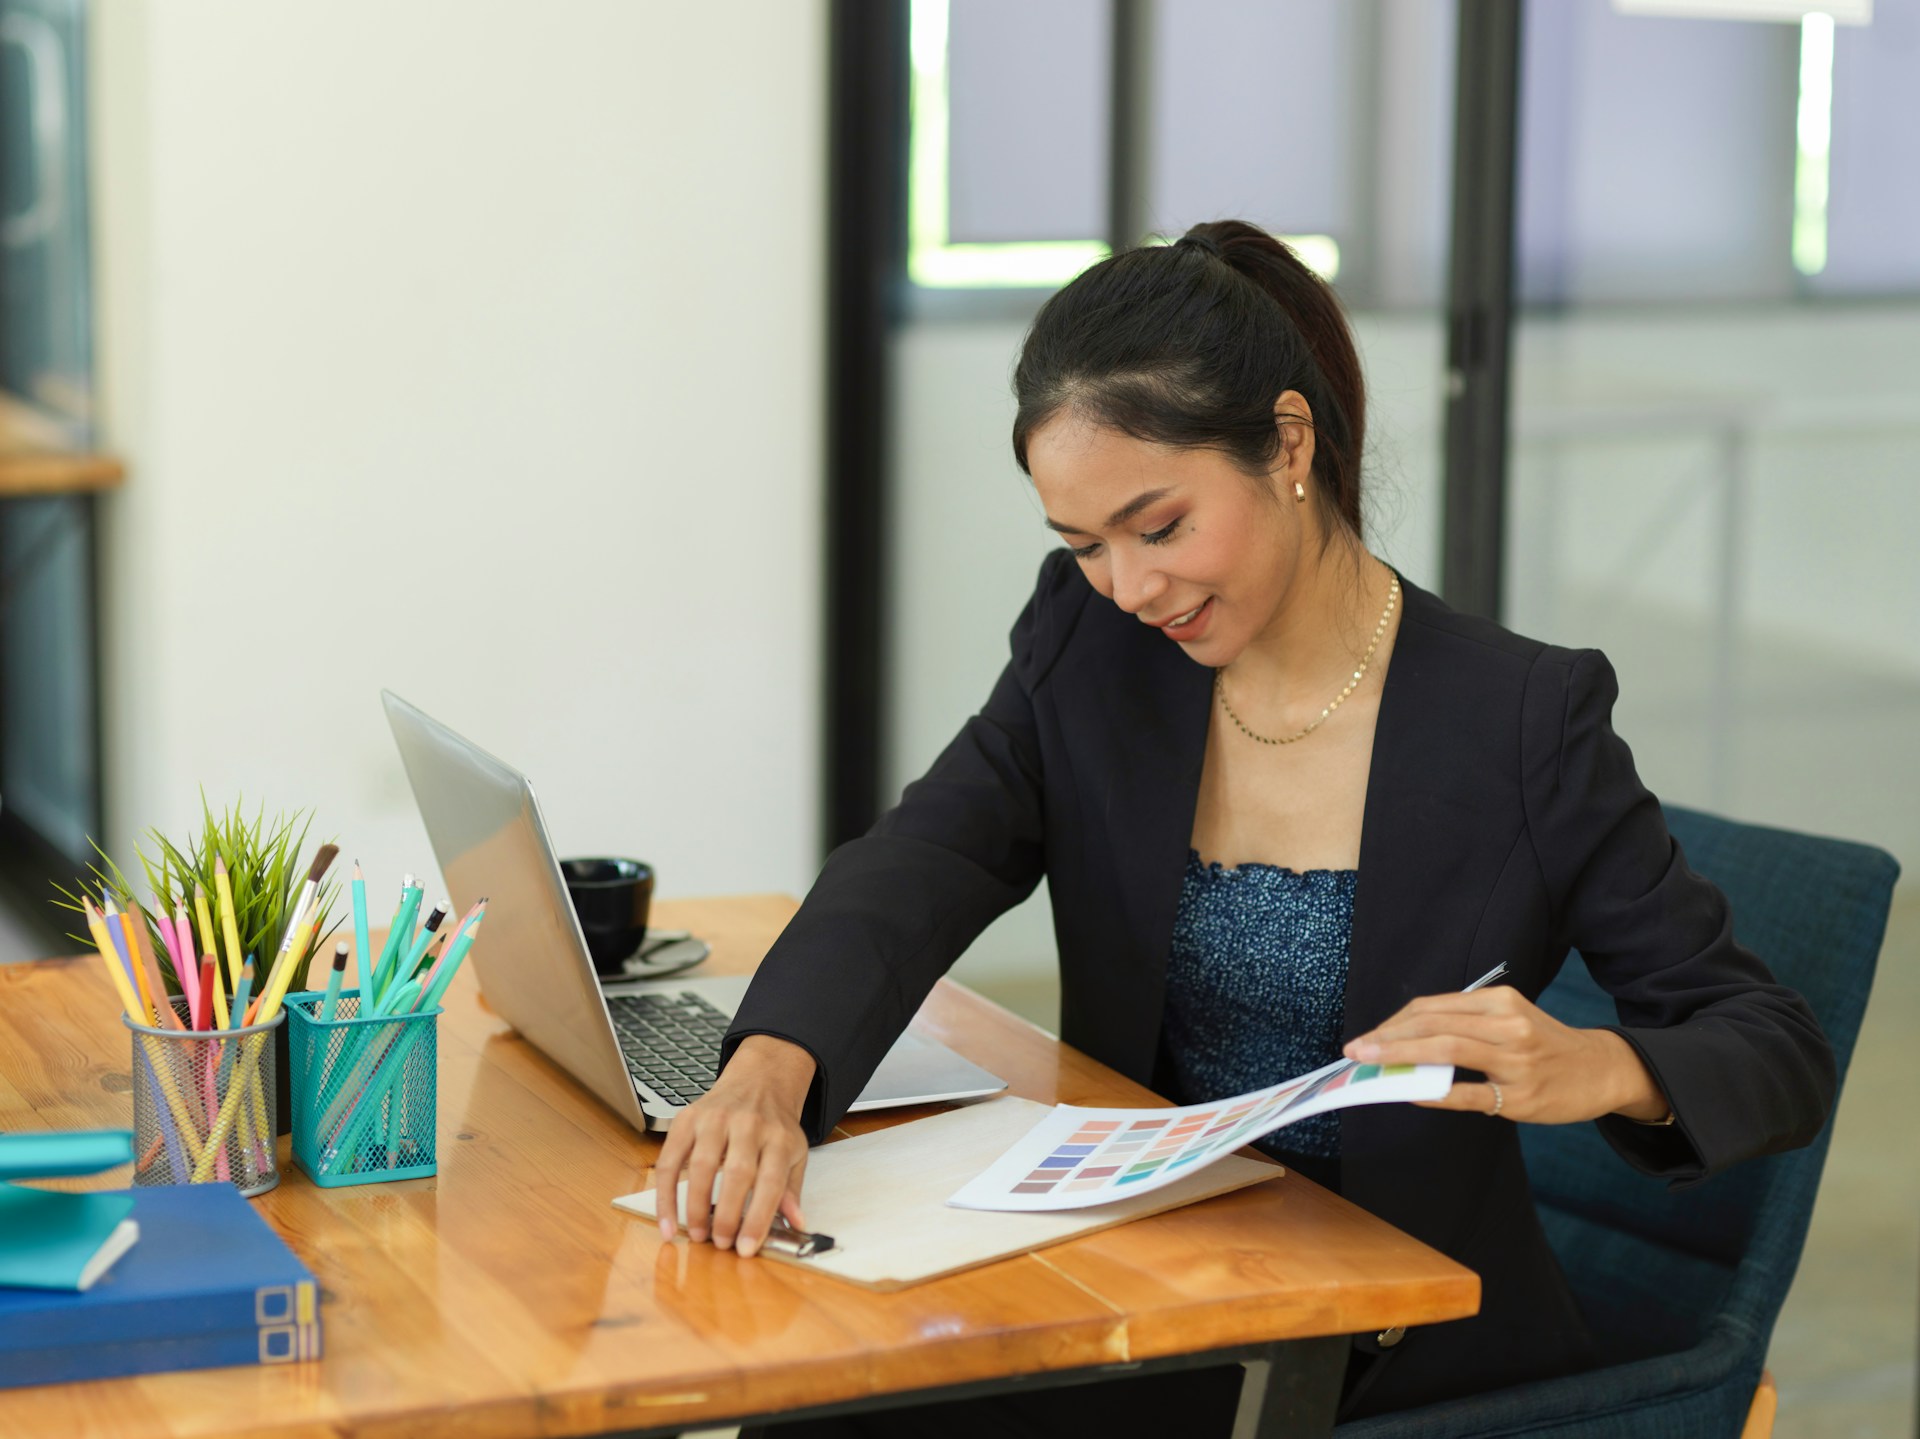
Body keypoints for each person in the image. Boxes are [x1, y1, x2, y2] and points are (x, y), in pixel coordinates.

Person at [650, 219, 1835, 1429]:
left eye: (1159, 526)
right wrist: (770, 1063)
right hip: (1152, 1281)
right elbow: (925, 854)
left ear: (1287, 443)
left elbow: (1773, 1044)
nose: (1128, 585)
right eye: (1084, 543)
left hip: (1383, 1337)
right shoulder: (1092, 643)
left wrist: (1602, 1064)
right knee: (821, 1393)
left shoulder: (1520, 716)